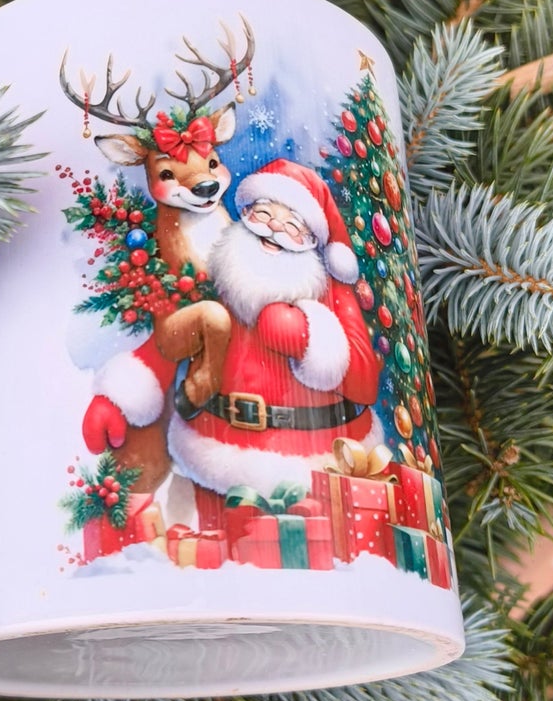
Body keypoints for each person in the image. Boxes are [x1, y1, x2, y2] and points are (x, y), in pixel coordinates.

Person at [82, 158, 382, 522]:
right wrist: (120, 395)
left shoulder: (328, 291)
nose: (275, 227)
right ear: (246, 214)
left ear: (312, 239)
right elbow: (176, 337)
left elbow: (364, 382)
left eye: (292, 224)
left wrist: (304, 335)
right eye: (264, 213)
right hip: (215, 452)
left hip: (318, 464)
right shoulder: (227, 273)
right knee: (201, 542)